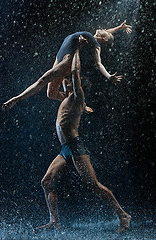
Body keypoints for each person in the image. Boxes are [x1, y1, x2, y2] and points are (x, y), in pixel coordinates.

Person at [35, 47, 131, 232]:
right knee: (47, 182)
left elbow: (74, 73)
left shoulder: (78, 97)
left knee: (93, 185)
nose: (65, 83)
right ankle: (54, 222)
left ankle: (123, 215)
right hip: (65, 149)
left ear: (73, 84)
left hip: (75, 147)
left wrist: (76, 49)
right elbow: (51, 89)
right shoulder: (66, 98)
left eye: (67, 82)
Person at [2, 20, 132, 110]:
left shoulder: (95, 45)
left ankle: (16, 99)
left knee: (42, 80)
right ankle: (78, 102)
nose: (104, 29)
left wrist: (109, 76)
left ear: (104, 39)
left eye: (106, 32)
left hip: (66, 59)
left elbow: (99, 64)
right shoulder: (93, 37)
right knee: (51, 94)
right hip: (59, 57)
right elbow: (106, 33)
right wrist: (119, 28)